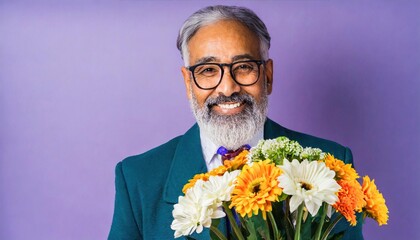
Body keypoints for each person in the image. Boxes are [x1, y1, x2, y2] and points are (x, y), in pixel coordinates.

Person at [108, 5, 364, 240]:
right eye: (208, 70)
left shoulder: (330, 163)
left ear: (268, 76)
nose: (228, 88)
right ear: (188, 83)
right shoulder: (138, 179)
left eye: (243, 67)